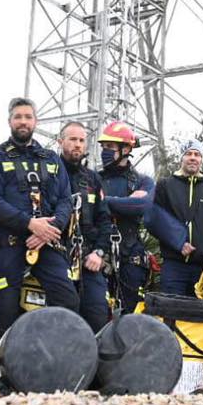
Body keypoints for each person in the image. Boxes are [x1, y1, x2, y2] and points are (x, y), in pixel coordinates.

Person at [0, 97, 77, 339]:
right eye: (18, 117)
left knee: (69, 301)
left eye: (28, 117)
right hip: (9, 245)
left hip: (48, 244)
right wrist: (30, 224)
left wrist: (51, 229)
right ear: (9, 121)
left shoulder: (51, 159)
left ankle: (49, 361)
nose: (23, 121)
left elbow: (66, 200)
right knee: (6, 312)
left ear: (36, 121)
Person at [57, 121, 117, 333]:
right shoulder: (50, 174)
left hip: (89, 259)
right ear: (60, 141)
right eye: (72, 139)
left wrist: (99, 253)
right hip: (56, 258)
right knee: (60, 319)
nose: (77, 145)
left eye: (81, 140)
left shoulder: (92, 179)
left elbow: (105, 221)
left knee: (98, 315)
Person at [93, 120, 155, 316]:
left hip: (130, 256)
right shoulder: (93, 178)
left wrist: (104, 201)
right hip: (97, 254)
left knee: (130, 315)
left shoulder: (142, 181)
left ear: (126, 148)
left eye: (110, 147)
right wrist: (124, 202)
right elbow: (86, 208)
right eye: (104, 147)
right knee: (96, 312)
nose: (105, 151)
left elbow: (142, 205)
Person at [148, 138, 203, 297]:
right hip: (173, 265)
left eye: (197, 154)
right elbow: (153, 218)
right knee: (170, 314)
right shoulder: (165, 185)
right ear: (181, 158)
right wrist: (178, 242)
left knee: (200, 317)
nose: (193, 157)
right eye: (188, 154)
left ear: (202, 159)